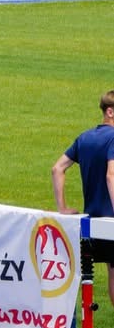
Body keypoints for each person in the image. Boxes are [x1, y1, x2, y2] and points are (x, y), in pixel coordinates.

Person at [52, 91, 114, 310]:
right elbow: (111, 175)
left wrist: (62, 208)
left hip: (92, 219)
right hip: (110, 218)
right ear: (110, 111)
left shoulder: (84, 138)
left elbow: (57, 168)